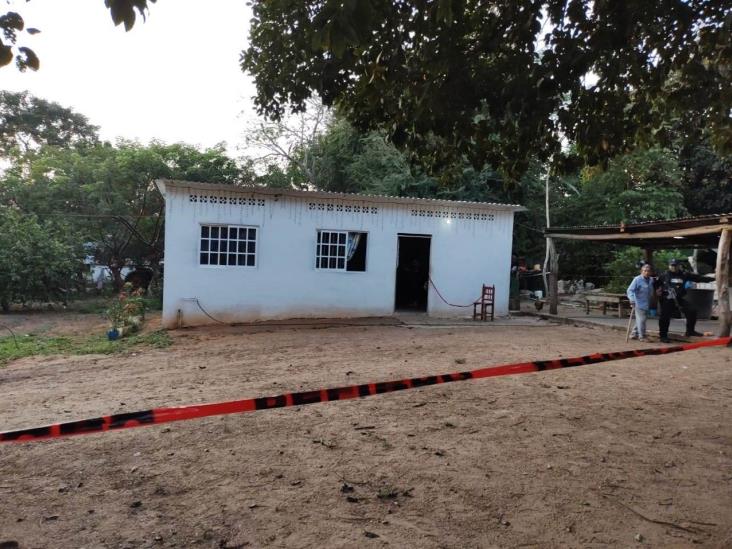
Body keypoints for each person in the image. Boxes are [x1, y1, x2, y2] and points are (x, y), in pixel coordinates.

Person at [655, 258, 713, 343]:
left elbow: (699, 278)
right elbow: (655, 284)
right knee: (665, 317)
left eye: (675, 265)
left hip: (678, 299)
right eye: (672, 265)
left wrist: (714, 278)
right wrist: (657, 290)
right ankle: (663, 336)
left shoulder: (684, 274)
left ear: (679, 266)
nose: (673, 267)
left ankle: (690, 331)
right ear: (669, 265)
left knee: (692, 310)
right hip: (667, 300)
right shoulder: (664, 275)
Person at [626, 263, 654, 341]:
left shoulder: (651, 280)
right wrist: (632, 299)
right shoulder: (637, 279)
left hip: (647, 303)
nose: (646, 272)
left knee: (640, 319)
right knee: (642, 319)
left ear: (651, 272)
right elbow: (630, 290)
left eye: (648, 271)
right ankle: (642, 336)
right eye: (645, 271)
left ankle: (634, 334)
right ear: (641, 271)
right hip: (638, 303)